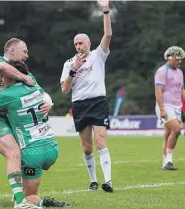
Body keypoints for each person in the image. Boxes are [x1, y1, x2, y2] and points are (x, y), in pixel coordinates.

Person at [0, 61, 69, 208]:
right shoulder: (35, 88)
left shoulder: (6, 95)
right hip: (51, 148)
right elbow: (45, 97)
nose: (0, 80)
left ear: (12, 76)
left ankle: (20, 202)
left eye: (2, 76)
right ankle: (45, 203)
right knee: (31, 195)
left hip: (31, 153)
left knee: (25, 195)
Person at [60, 0, 113, 192]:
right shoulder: (68, 63)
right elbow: (65, 89)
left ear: (89, 43)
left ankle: (108, 181)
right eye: (75, 44)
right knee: (86, 147)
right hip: (80, 105)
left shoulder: (98, 55)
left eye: (81, 43)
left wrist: (105, 10)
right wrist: (74, 70)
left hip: (98, 102)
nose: (78, 46)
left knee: (100, 142)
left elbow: (108, 34)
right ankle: (93, 181)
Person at [155, 46, 185, 170]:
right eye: (177, 59)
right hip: (165, 106)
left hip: (177, 106)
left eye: (181, 59)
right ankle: (169, 160)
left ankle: (165, 162)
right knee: (177, 128)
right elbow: (158, 91)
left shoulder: (180, 72)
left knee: (168, 134)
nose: (180, 62)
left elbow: (181, 90)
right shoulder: (162, 71)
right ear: (170, 58)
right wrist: (162, 109)